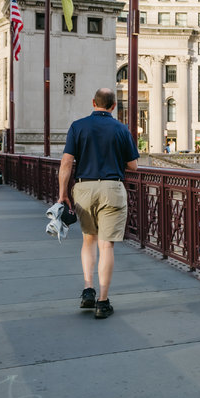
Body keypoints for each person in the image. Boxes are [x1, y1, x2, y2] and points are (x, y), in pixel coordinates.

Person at [58, 88, 139, 320]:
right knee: (107, 247)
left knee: (88, 241)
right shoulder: (121, 129)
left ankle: (88, 289)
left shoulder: (78, 126)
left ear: (93, 102)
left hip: (84, 187)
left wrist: (63, 193)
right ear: (113, 106)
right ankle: (103, 302)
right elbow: (133, 166)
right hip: (112, 188)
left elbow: (66, 163)